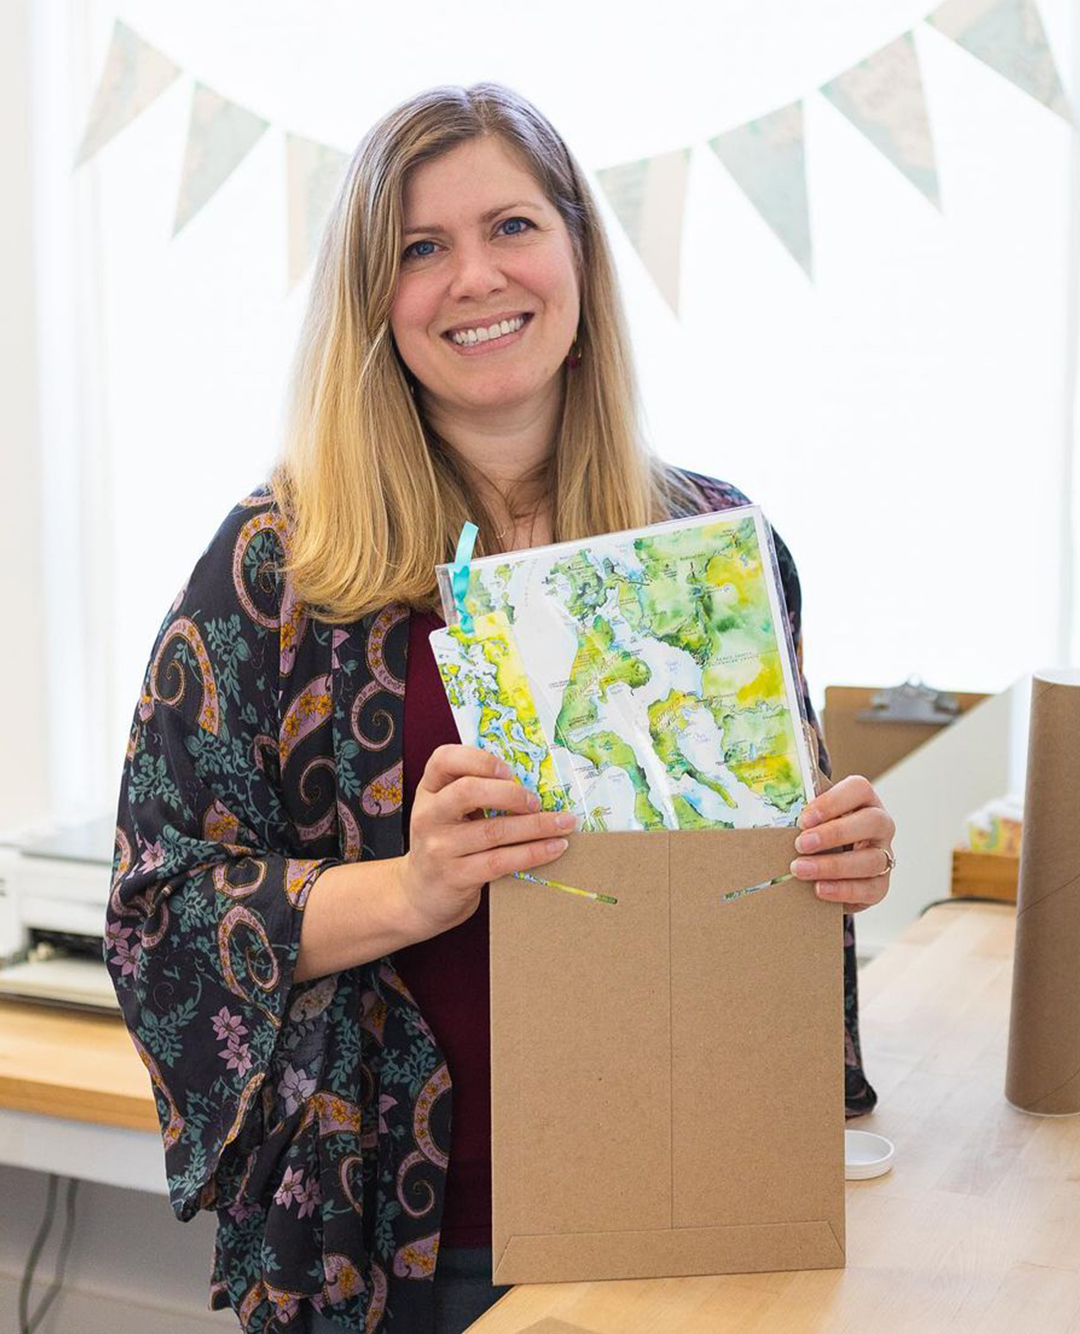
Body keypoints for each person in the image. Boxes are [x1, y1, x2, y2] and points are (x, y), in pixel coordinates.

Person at [104, 82, 895, 1334]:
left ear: (577, 251)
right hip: (396, 1242)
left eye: (513, 226)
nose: (476, 275)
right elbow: (160, 916)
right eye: (422, 247)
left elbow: (765, 885)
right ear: (376, 303)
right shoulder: (275, 567)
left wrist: (835, 856)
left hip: (687, 1190)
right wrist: (410, 890)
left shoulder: (711, 549)